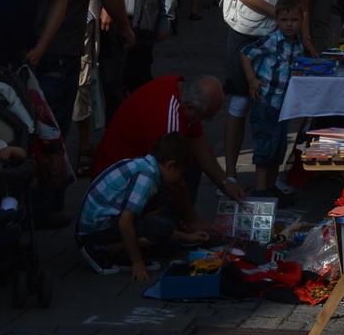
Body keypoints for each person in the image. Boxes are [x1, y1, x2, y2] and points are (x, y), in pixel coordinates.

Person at [31, 0, 135, 221]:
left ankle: (12, 194)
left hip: (17, 45)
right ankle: (46, 203)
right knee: (52, 125)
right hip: (62, 46)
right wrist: (124, 28)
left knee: (17, 122)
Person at [224, 0, 318, 177]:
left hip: (279, 38)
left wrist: (305, 36)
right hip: (249, 33)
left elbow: (304, 6)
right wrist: (278, 16)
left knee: (272, 103)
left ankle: (265, 177)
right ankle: (230, 173)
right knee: (242, 99)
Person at [93, 71, 244, 223]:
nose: (205, 121)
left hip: (128, 169)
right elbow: (172, 177)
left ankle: (175, 222)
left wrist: (224, 183)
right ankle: (172, 224)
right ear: (191, 108)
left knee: (191, 158)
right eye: (206, 117)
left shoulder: (180, 90)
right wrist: (192, 219)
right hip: (115, 189)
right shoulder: (169, 117)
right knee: (181, 167)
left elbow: (198, 140)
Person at [78, 132, 208, 281]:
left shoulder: (146, 164)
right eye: (180, 173)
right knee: (162, 228)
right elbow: (125, 223)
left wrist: (188, 238)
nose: (180, 178)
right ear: (170, 165)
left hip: (97, 222)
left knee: (162, 203)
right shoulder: (146, 178)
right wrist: (137, 263)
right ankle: (99, 249)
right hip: (96, 229)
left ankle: (122, 252)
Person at [241, 0, 305, 194]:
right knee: (264, 147)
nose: (289, 25)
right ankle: (261, 191)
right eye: (284, 20)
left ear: (301, 20)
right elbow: (246, 53)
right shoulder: (272, 40)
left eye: (294, 20)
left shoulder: (298, 44)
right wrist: (251, 79)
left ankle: (271, 187)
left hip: (283, 104)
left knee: (278, 147)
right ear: (277, 20)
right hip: (266, 101)